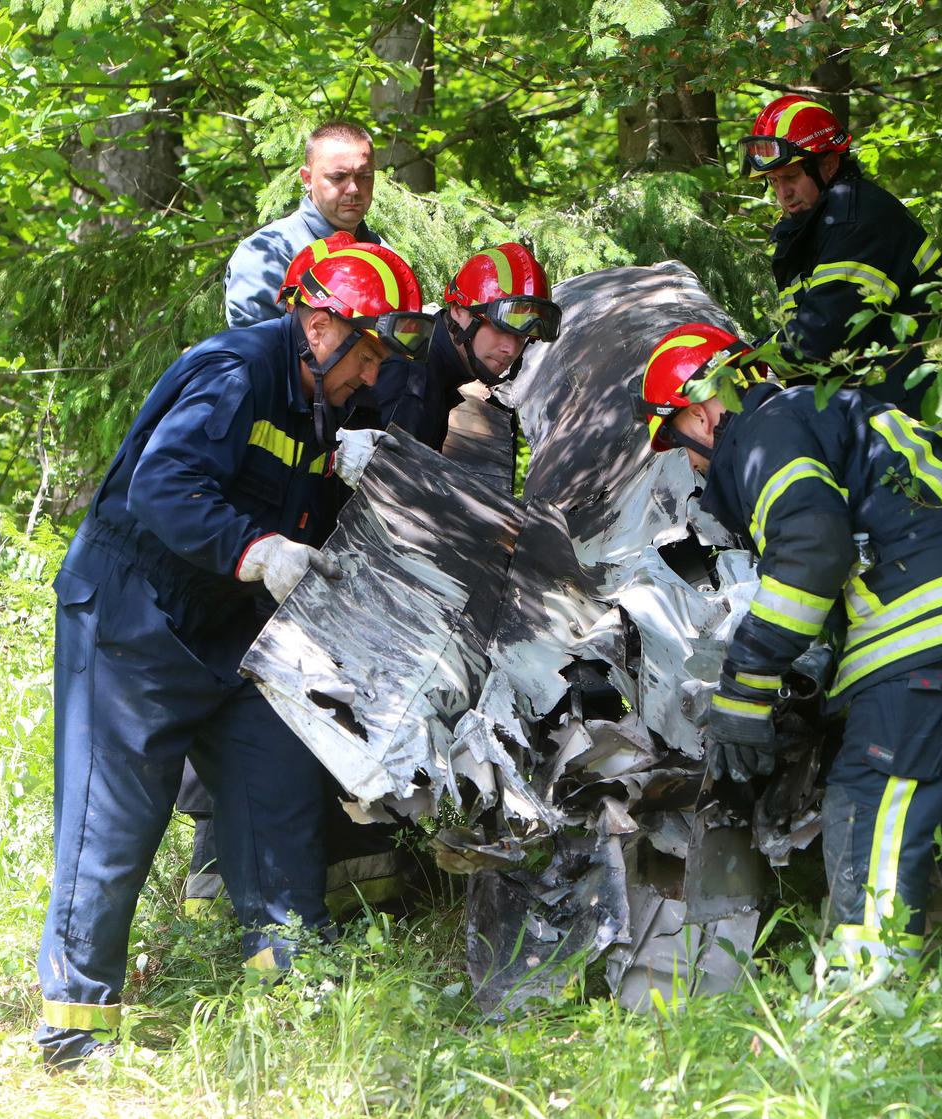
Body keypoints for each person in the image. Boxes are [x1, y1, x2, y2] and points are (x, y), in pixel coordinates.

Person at [36, 236, 432, 1068]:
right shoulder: (238, 369)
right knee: (115, 821)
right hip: (135, 615)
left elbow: (303, 499)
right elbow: (163, 485)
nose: (372, 375)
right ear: (320, 326)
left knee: (276, 796)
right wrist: (255, 551)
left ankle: (293, 979)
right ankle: (76, 1027)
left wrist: (357, 473)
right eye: (366, 354)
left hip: (235, 624)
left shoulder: (327, 400)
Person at [633, 323, 942, 963]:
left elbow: (812, 550)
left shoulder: (761, 433)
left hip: (941, 621)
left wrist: (745, 697)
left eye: (678, 446)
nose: (693, 466)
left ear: (699, 411)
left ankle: (863, 1012)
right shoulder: (829, 406)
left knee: (870, 804)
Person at [739, 96, 942, 459]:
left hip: (931, 439)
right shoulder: (811, 230)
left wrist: (747, 360)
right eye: (774, 181)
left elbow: (818, 340)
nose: (783, 193)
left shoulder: (858, 222)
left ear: (828, 164)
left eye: (792, 176)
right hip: (892, 434)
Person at [366, 242, 561, 452]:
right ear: (459, 310)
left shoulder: (431, 369)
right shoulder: (411, 380)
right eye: (502, 329)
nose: (511, 349)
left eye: (522, 337)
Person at [224, 119, 383, 330]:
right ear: (307, 179)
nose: (353, 188)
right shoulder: (267, 253)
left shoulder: (382, 253)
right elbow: (254, 351)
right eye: (338, 177)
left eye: (364, 176)